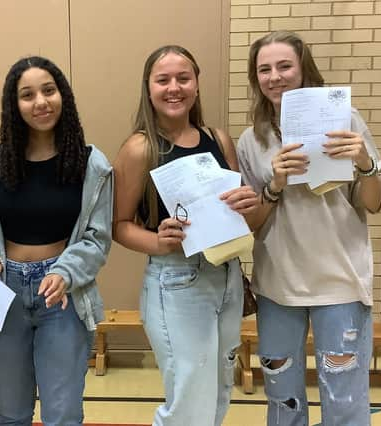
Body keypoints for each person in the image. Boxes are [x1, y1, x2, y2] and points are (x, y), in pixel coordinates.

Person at [237, 31, 381, 426]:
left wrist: (364, 162)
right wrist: (274, 185)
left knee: (344, 400)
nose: (275, 77)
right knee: (283, 399)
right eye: (264, 69)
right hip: (278, 285)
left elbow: (373, 201)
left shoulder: (346, 121)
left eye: (284, 66)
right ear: (256, 79)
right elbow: (251, 223)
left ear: (304, 69)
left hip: (339, 282)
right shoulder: (252, 140)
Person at [112, 45, 259, 426]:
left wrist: (247, 201)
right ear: (148, 89)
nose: (173, 88)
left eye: (183, 78)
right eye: (163, 80)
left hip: (226, 277)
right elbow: (119, 225)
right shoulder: (139, 148)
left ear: (196, 84)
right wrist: (157, 241)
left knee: (218, 394)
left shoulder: (218, 139)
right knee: (189, 402)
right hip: (175, 279)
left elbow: (241, 212)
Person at [0, 56, 113, 426]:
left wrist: (65, 271)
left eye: (48, 91)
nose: (40, 102)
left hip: (62, 297)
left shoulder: (91, 163)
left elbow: (97, 239)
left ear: (63, 95)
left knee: (62, 414)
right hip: (3, 293)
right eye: (27, 95)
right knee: (12, 412)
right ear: (14, 106)